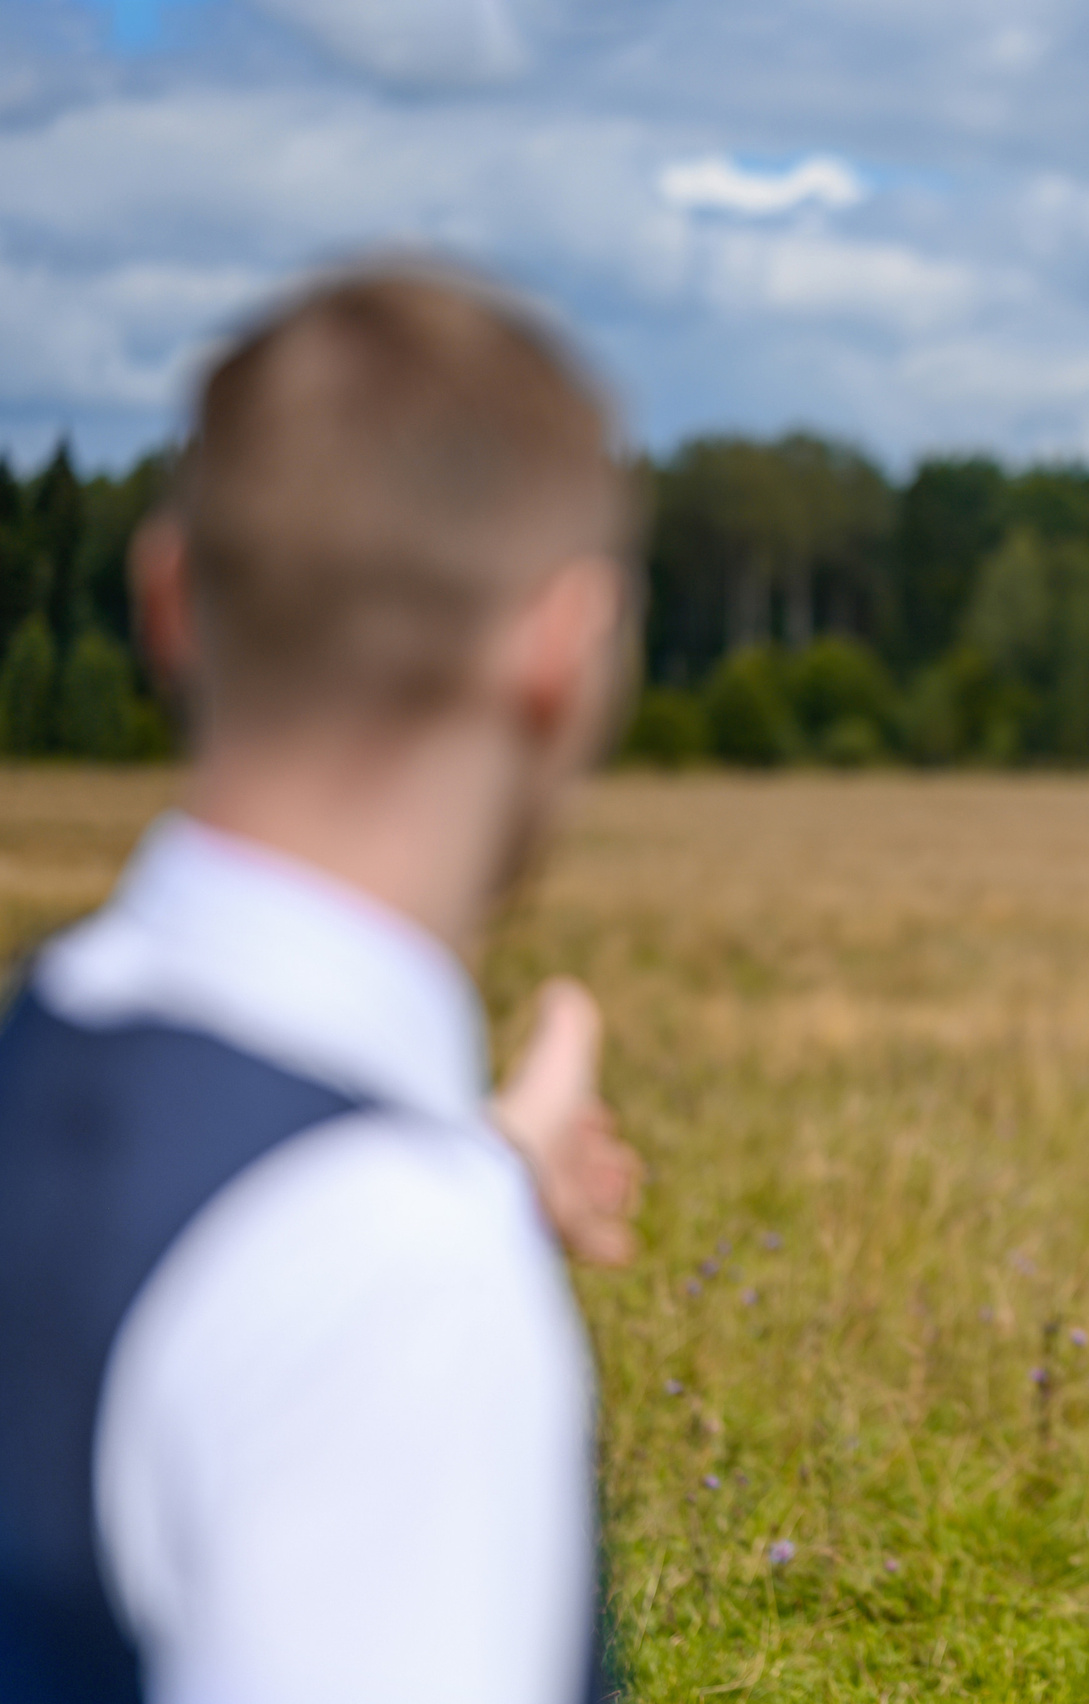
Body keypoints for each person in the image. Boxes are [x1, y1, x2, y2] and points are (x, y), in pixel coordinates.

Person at [0, 262, 644, 1703]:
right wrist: (423, 1210)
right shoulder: (393, 1289)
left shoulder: (50, 1064)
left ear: (169, 600)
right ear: (563, 647)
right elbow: (308, 1283)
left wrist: (479, 1164)